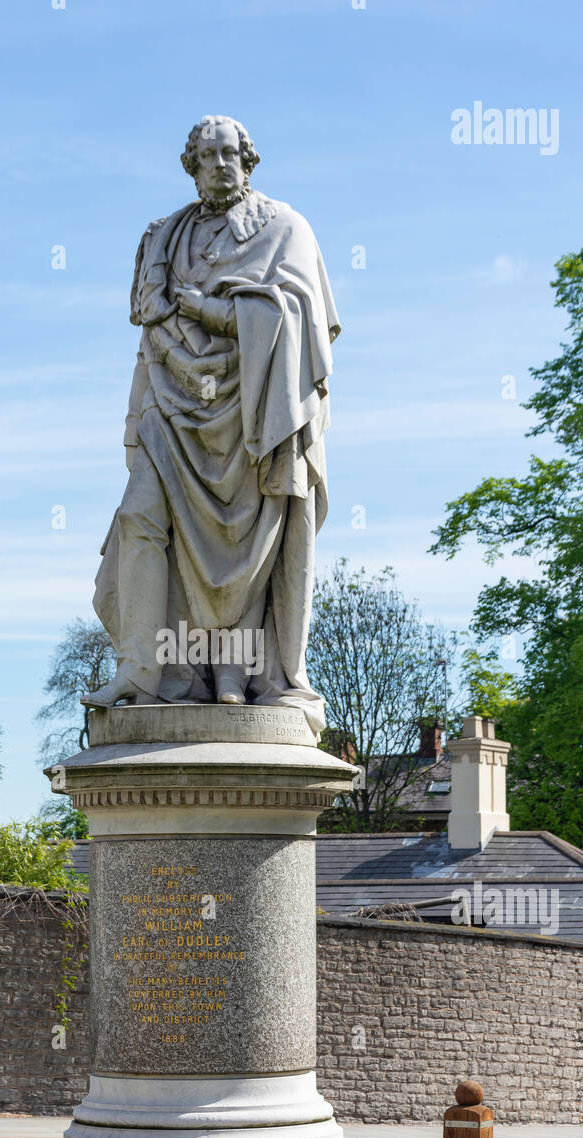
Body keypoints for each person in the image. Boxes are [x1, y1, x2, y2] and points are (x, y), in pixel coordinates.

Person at [83, 115, 340, 737]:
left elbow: (302, 323)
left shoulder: (284, 228)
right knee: (138, 518)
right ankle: (143, 669)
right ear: (191, 165)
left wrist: (210, 309)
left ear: (248, 161)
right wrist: (134, 416)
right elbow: (147, 336)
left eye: (230, 154)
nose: (220, 164)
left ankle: (241, 673)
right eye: (207, 155)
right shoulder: (163, 237)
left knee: (249, 542)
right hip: (171, 409)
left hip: (254, 409)